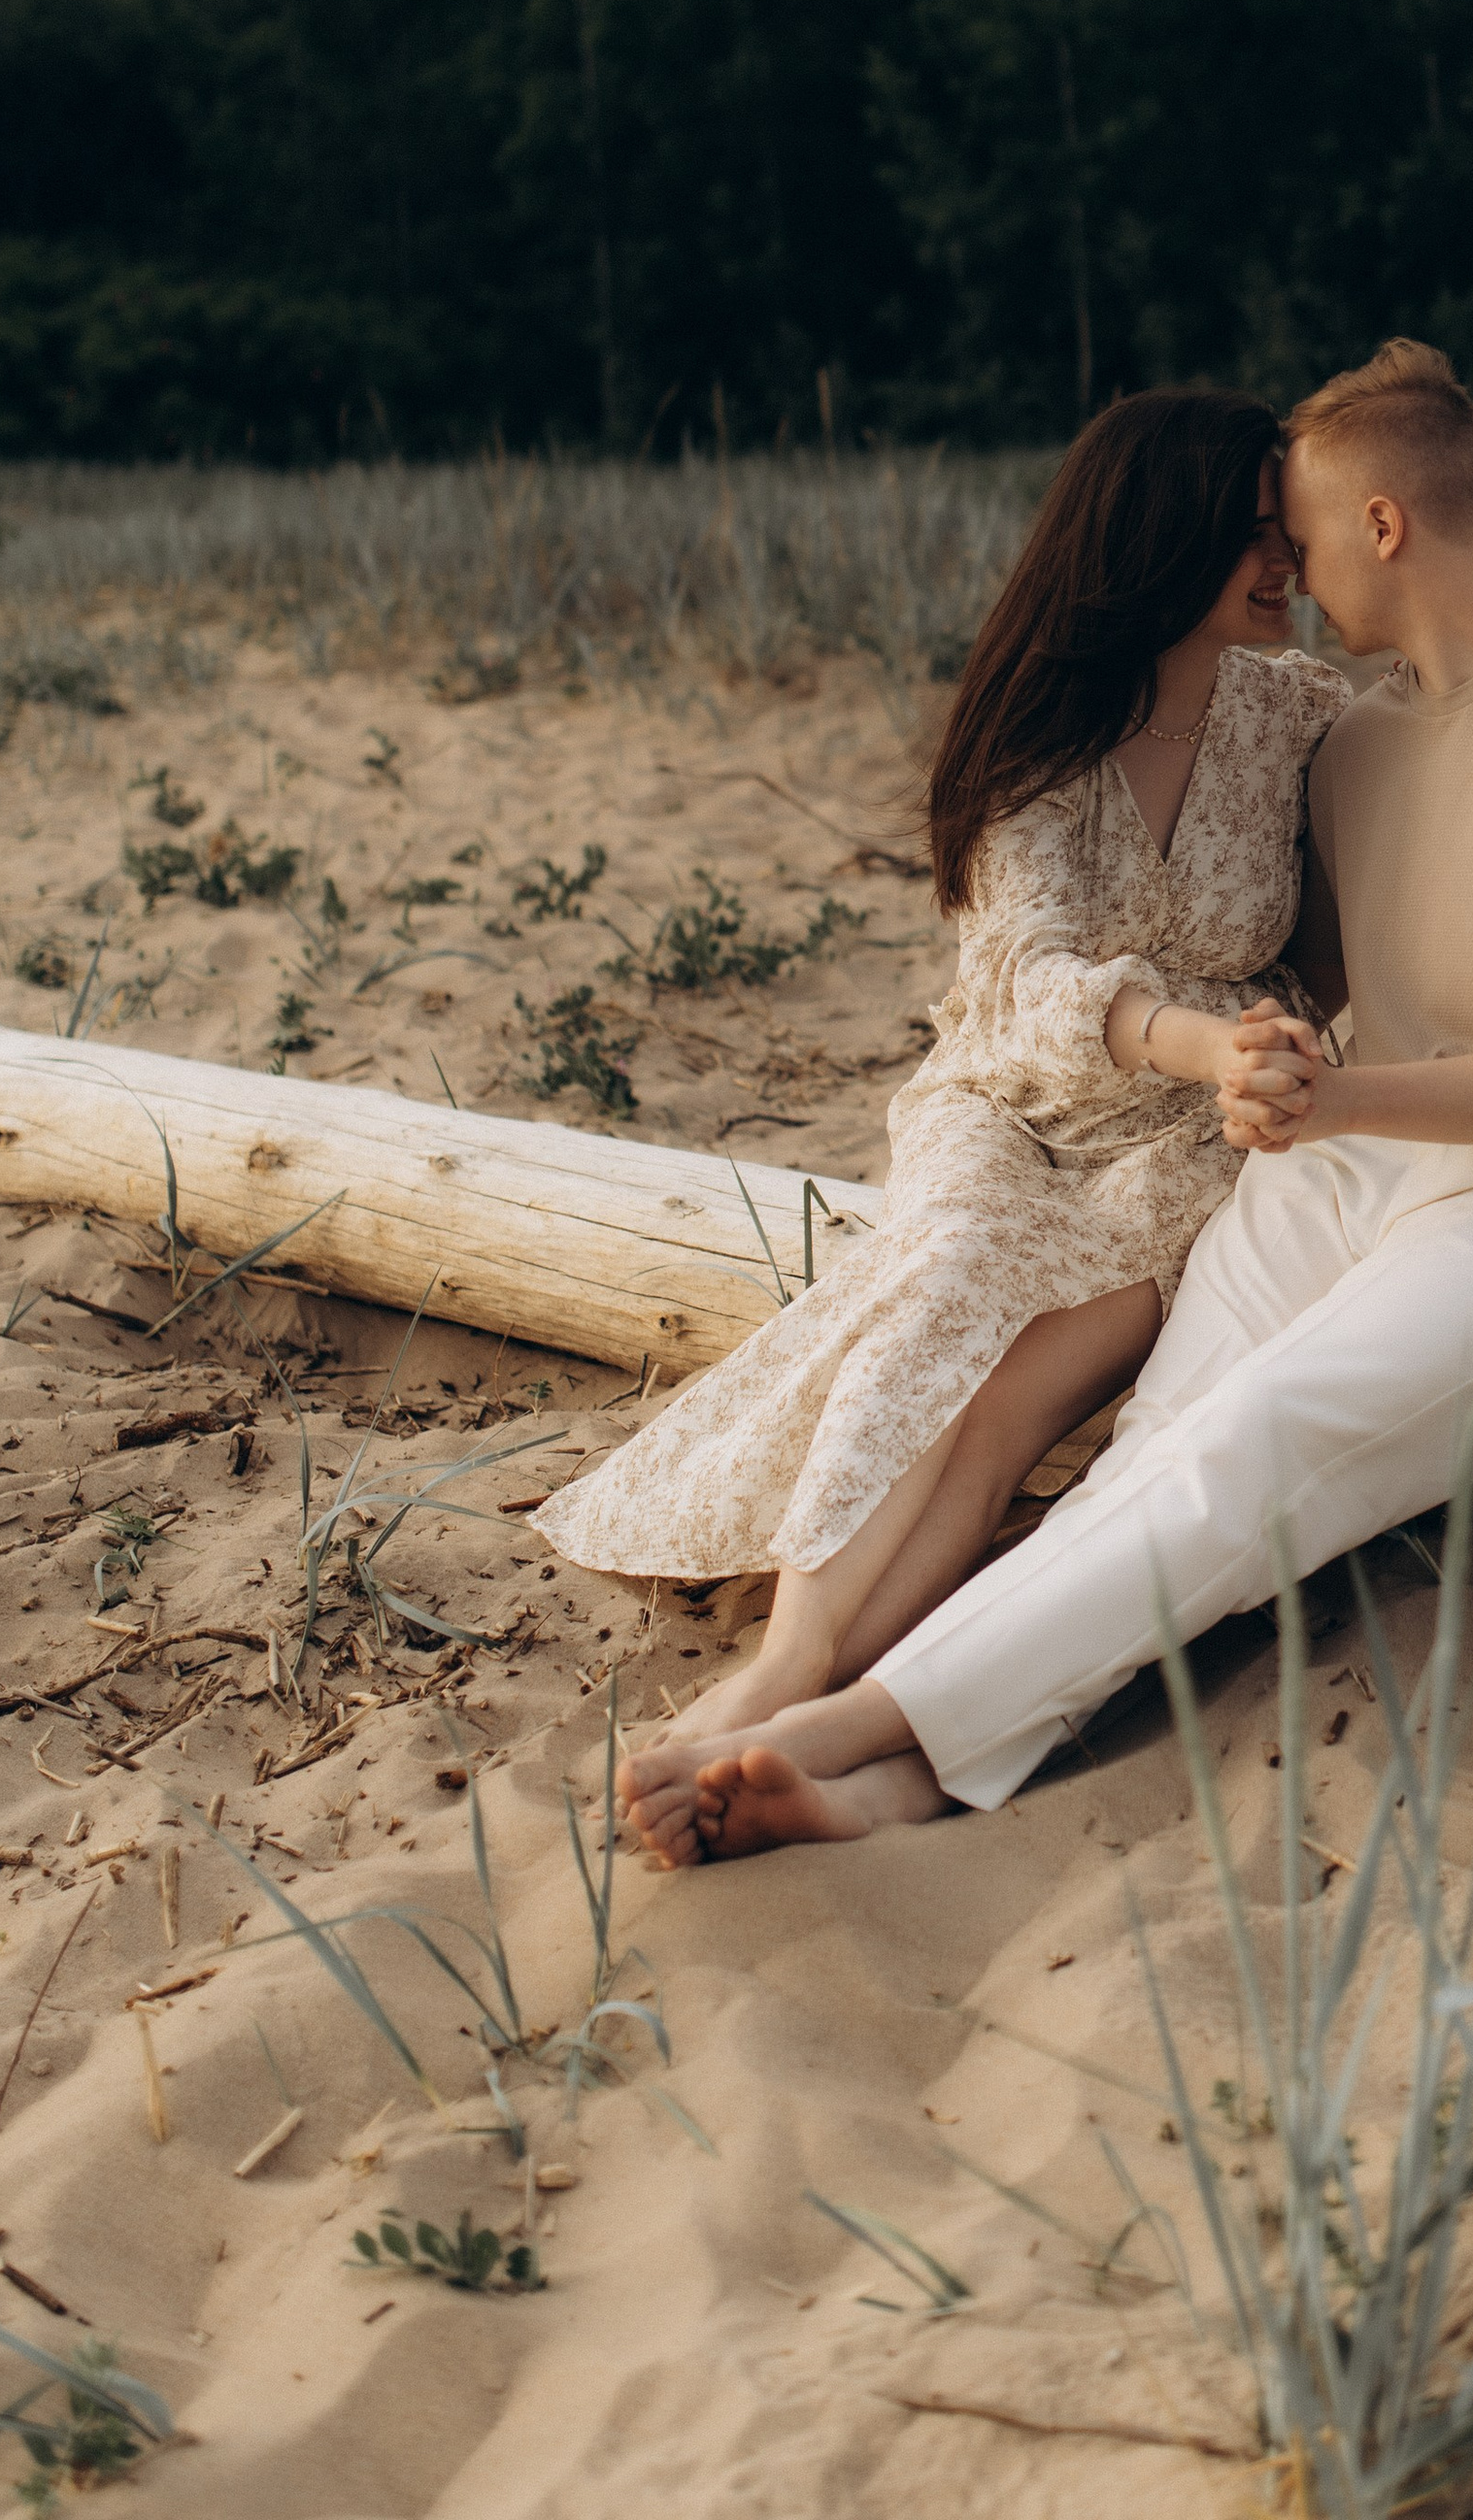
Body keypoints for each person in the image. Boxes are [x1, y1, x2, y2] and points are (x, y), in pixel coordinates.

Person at [617, 338, 1473, 1867]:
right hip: (1352, 1166)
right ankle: (914, 1751)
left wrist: (1327, 1103)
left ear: (1381, 526)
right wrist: (1277, 1088)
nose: (1294, 562)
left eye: (1305, 528)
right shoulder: (1359, 743)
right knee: (1154, 1447)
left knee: (1256, 1437)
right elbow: (1278, 973)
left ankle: (862, 1733)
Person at [534, 387, 1347, 1741]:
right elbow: (1023, 981)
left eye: (1288, 531)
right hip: (1014, 1100)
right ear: (1158, 537)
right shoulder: (1041, 733)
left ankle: (813, 1695)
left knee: (1013, 1397)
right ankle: (793, 1656)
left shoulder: (1301, 715)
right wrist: (1202, 1039)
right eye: (1251, 533)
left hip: (1189, 1138)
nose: (1286, 564)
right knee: (947, 1277)